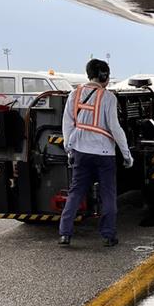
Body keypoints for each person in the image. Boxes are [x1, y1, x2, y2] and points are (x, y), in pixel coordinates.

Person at [58, 58, 133, 247]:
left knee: (75, 192)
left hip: (80, 151)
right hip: (104, 152)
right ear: (105, 77)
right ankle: (109, 235)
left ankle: (65, 234)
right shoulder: (108, 97)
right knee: (108, 194)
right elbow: (115, 128)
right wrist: (126, 154)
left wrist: (69, 147)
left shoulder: (74, 95)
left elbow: (67, 124)